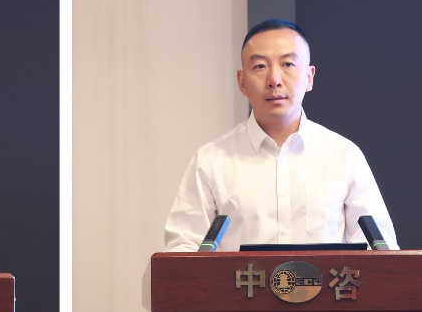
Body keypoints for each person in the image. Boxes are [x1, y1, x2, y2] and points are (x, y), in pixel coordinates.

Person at [163, 19, 398, 252]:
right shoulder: (210, 161)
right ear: (242, 82)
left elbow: (381, 253)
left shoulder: (343, 156)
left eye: (287, 64)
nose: (274, 80)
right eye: (260, 66)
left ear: (309, 77)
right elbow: (182, 249)